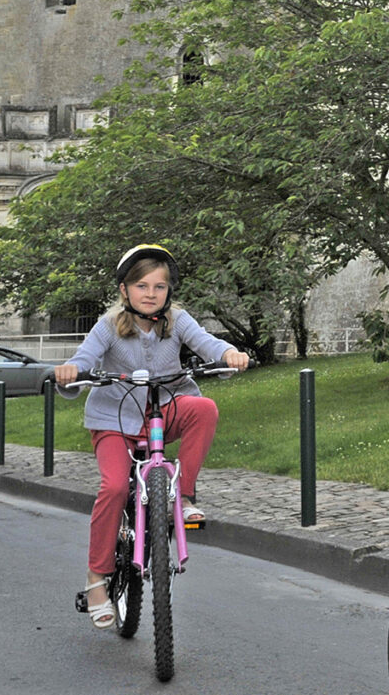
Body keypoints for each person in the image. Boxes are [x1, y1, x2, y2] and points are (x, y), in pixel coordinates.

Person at [54, 243, 252, 628]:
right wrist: (71, 371)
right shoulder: (108, 326)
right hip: (115, 419)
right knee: (113, 488)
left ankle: (185, 493)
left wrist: (229, 353)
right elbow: (85, 357)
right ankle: (97, 578)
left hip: (165, 411)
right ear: (125, 290)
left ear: (169, 292)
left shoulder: (177, 321)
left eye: (159, 287)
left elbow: (208, 344)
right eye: (141, 285)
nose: (150, 293)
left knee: (204, 408)